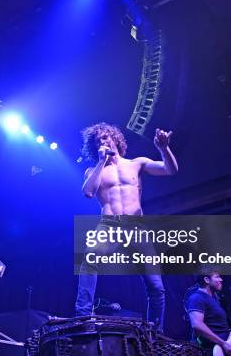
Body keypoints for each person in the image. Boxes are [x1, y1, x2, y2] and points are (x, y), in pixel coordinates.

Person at [74, 122, 178, 332]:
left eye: (104, 137)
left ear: (115, 138)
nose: (101, 142)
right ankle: (83, 317)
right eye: (97, 141)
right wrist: (102, 161)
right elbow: (88, 192)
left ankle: (155, 334)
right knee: (89, 261)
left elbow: (170, 169)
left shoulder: (136, 163)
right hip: (109, 225)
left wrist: (163, 148)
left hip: (136, 227)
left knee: (156, 287)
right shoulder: (93, 171)